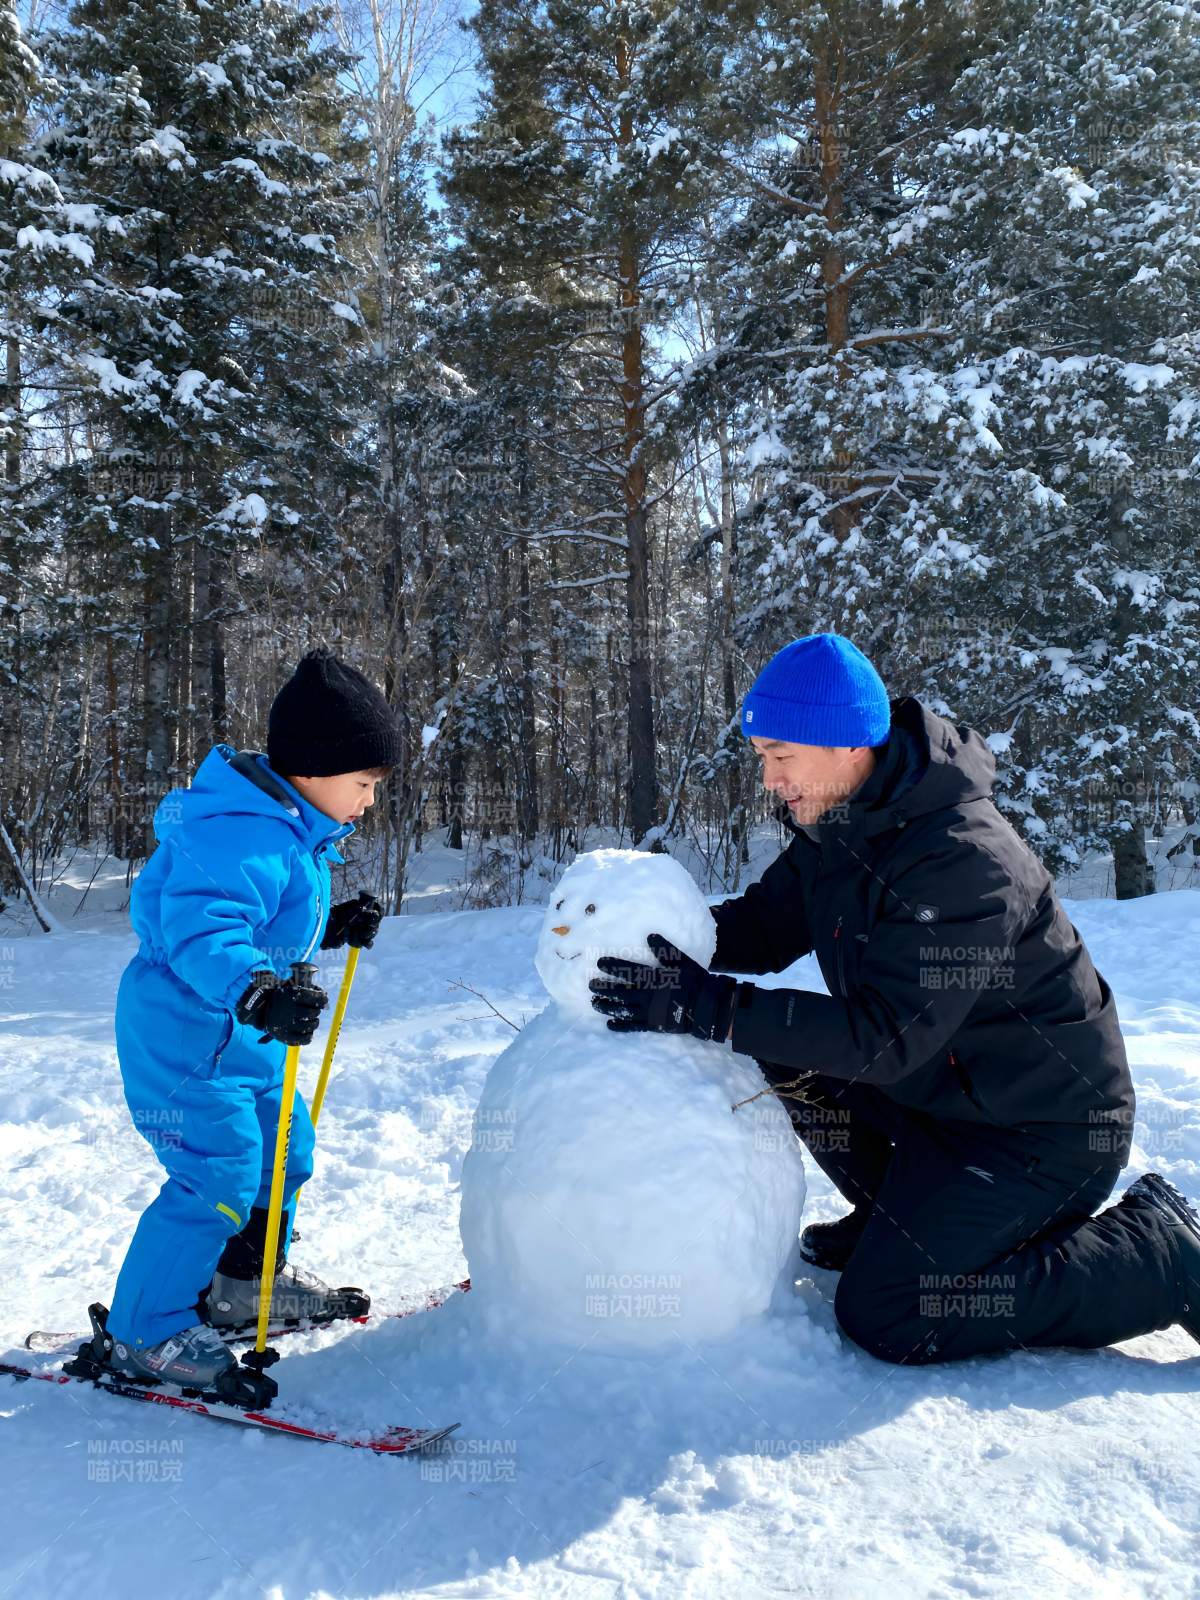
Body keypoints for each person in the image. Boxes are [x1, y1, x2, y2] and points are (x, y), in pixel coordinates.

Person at [590, 632, 1200, 1365]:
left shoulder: (964, 858)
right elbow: (758, 926)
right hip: (942, 1098)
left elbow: (884, 1038)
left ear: (848, 746)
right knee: (784, 1057)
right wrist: (643, 935)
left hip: (1039, 1131)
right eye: (762, 759)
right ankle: (892, 1215)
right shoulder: (839, 823)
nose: (770, 781)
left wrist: (708, 1006)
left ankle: (1158, 1258)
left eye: (782, 758)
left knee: (892, 1311)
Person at [103, 646, 394, 1392]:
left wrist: (329, 927)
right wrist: (258, 991)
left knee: (286, 1150)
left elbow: (264, 921)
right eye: (362, 784)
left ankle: (244, 1283)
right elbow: (204, 934)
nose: (368, 803)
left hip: (246, 1036)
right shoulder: (236, 832)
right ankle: (146, 1331)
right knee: (217, 1172)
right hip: (186, 1037)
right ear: (313, 769)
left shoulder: (290, 831)